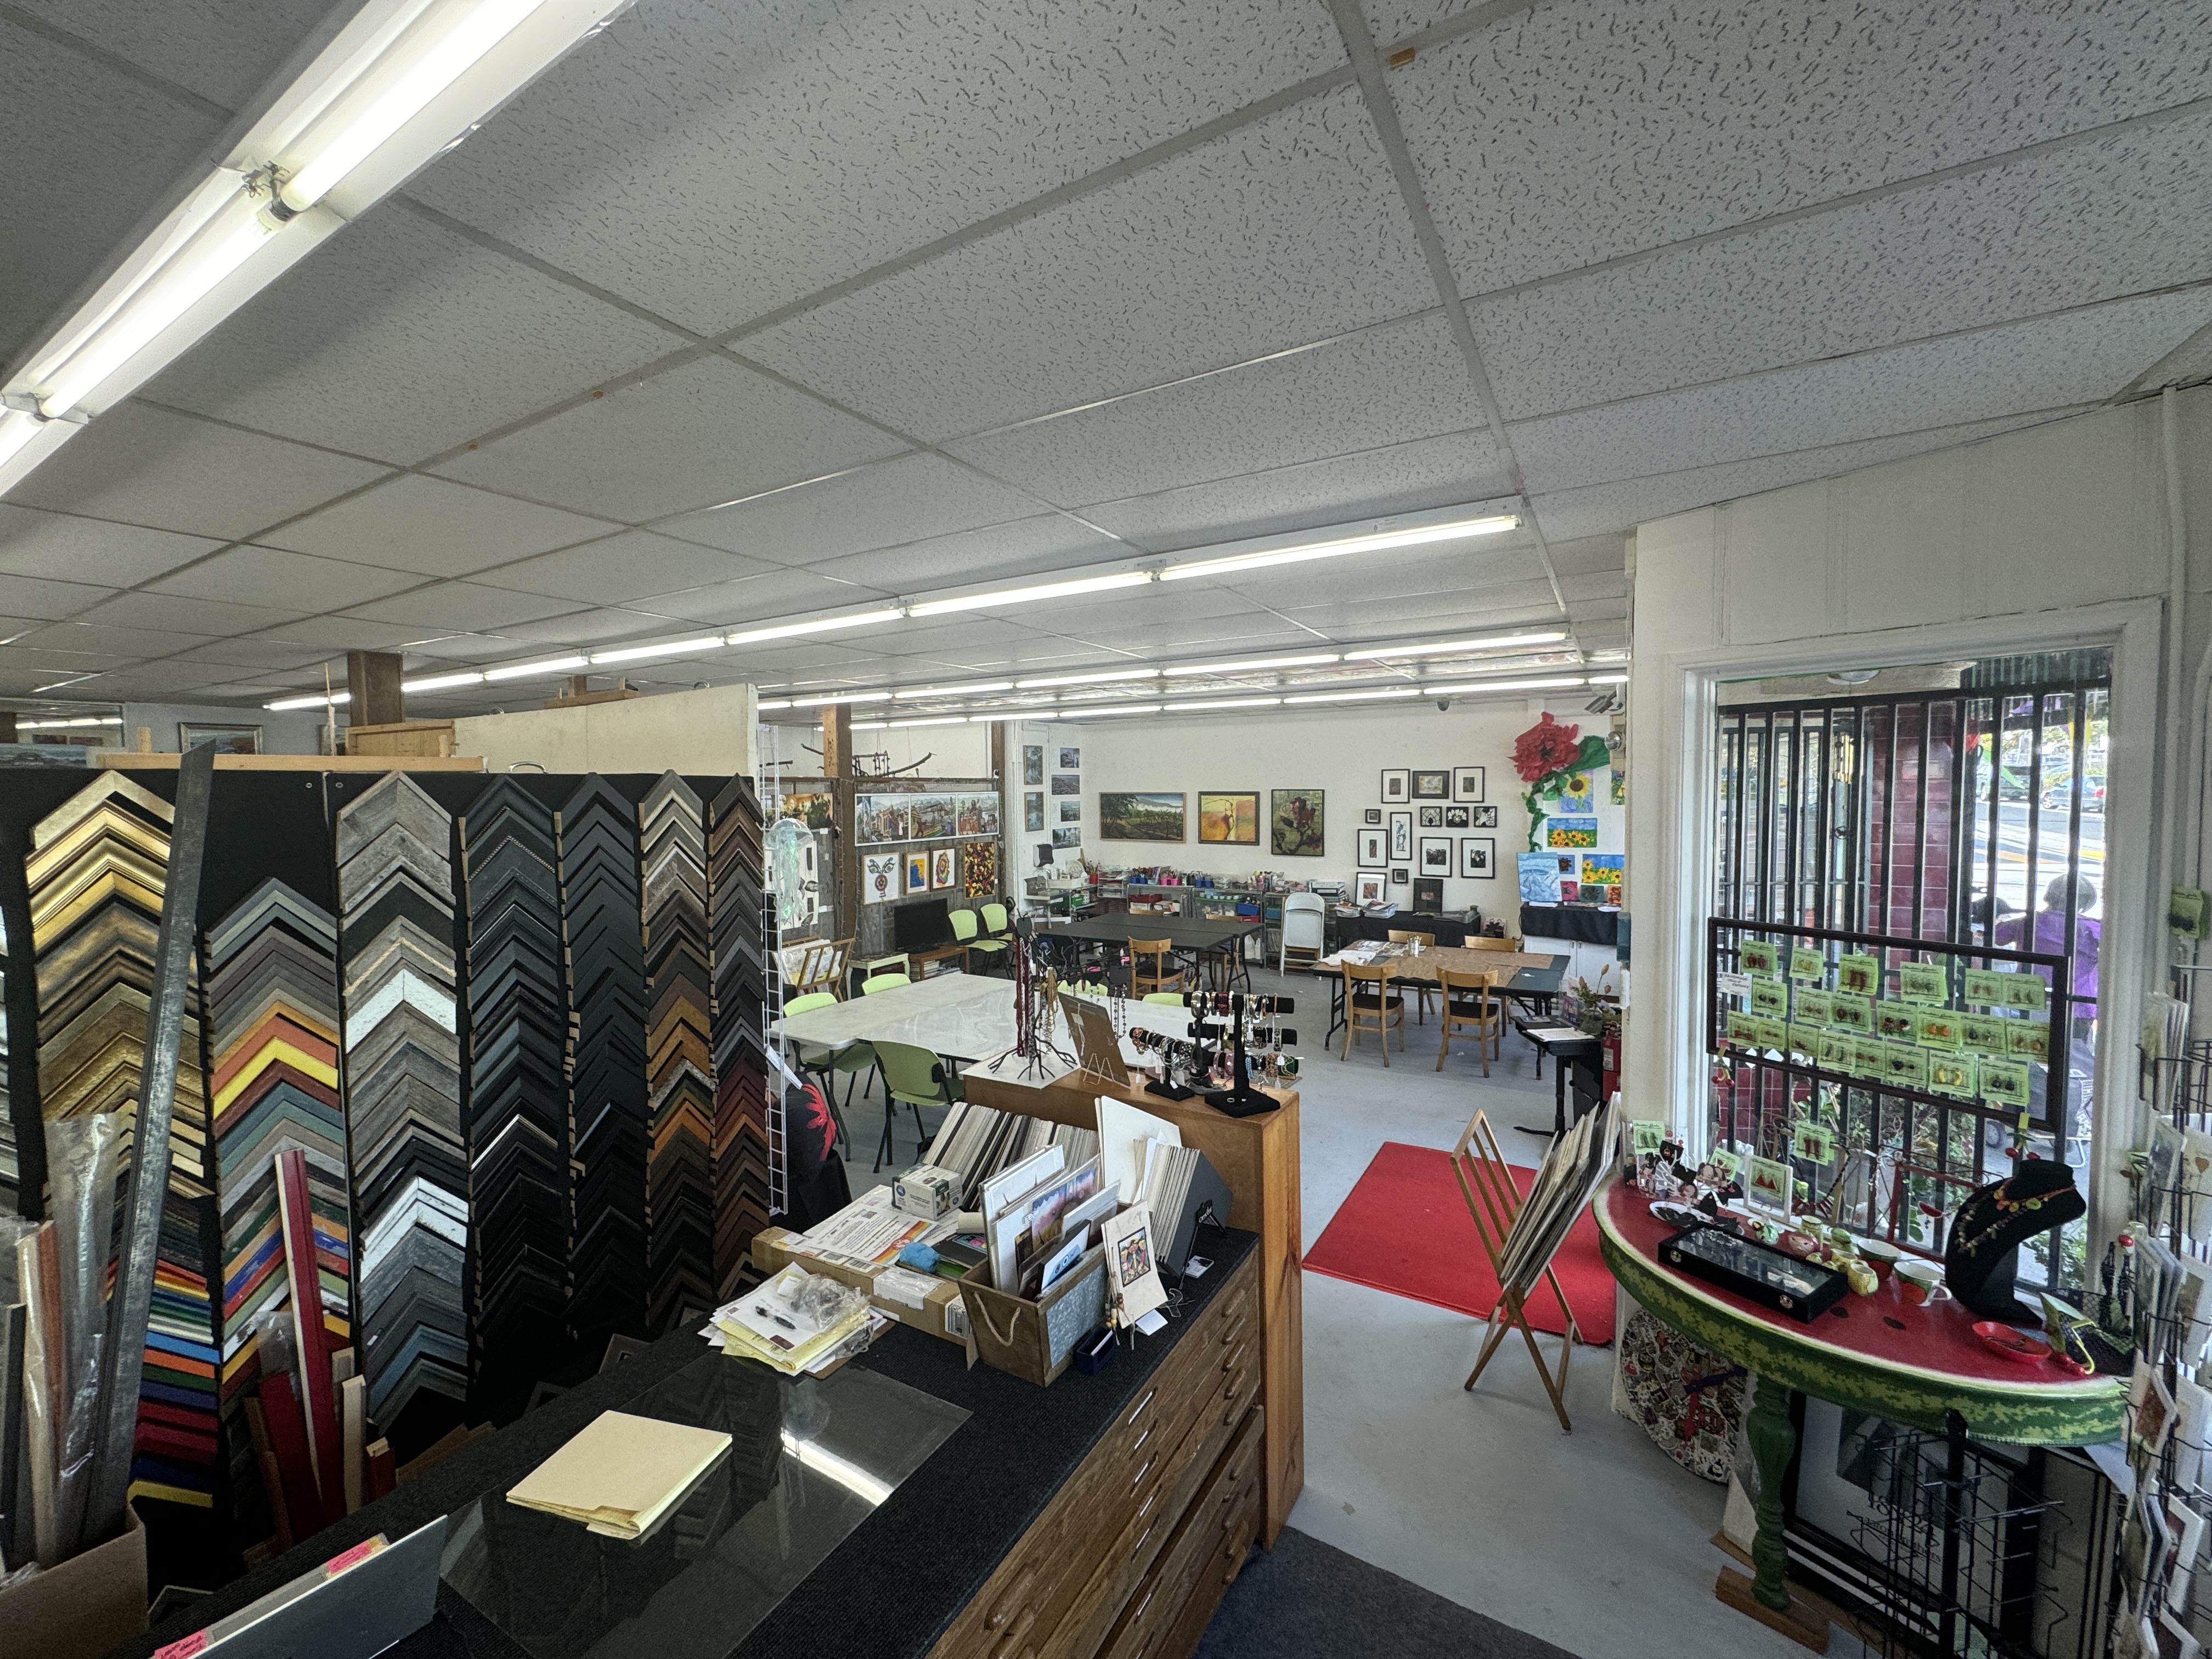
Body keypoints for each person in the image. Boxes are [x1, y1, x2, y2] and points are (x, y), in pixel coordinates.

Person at [1994, 874, 2100, 1002]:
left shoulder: (2028, 922)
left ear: (2049, 897)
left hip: (2027, 997)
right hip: (2076, 1001)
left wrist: (1996, 919)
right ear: (2085, 902)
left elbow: (1996, 938)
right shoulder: (2093, 928)